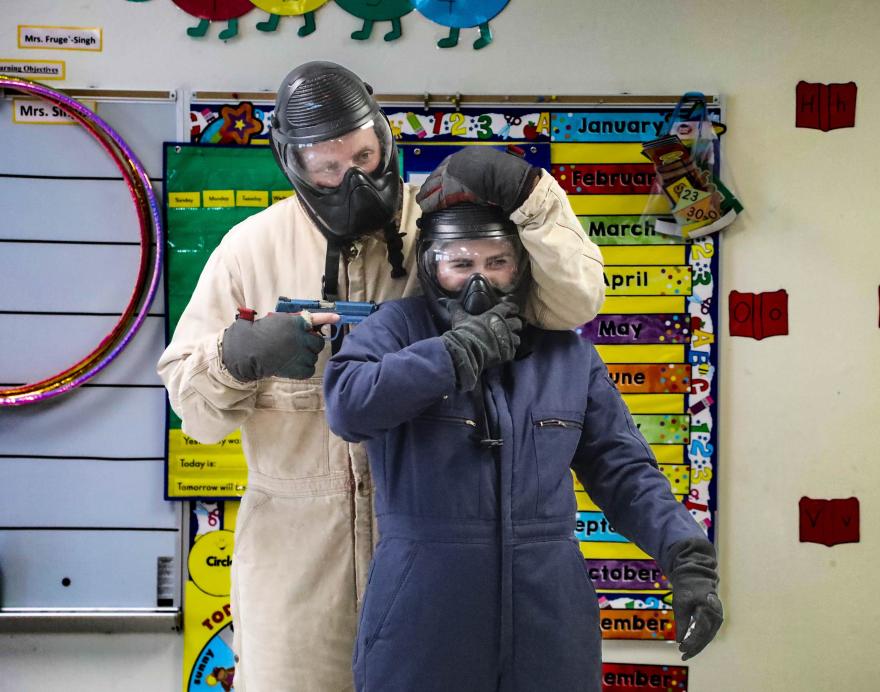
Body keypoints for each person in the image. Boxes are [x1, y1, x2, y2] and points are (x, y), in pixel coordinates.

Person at [157, 61, 605, 692]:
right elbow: (196, 417)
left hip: (441, 570)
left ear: (386, 139)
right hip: (298, 576)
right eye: (329, 168)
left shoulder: (448, 232)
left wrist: (533, 196)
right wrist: (237, 356)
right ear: (294, 164)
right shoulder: (249, 250)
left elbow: (571, 305)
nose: (354, 180)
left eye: (364, 156)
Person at [323, 203, 724, 692]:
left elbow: (625, 471)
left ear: (522, 265)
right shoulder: (396, 328)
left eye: (497, 263)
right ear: (432, 266)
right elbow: (348, 405)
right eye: (461, 264)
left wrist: (686, 557)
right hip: (421, 612)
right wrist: (448, 356)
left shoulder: (565, 352)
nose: (480, 282)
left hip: (550, 615)